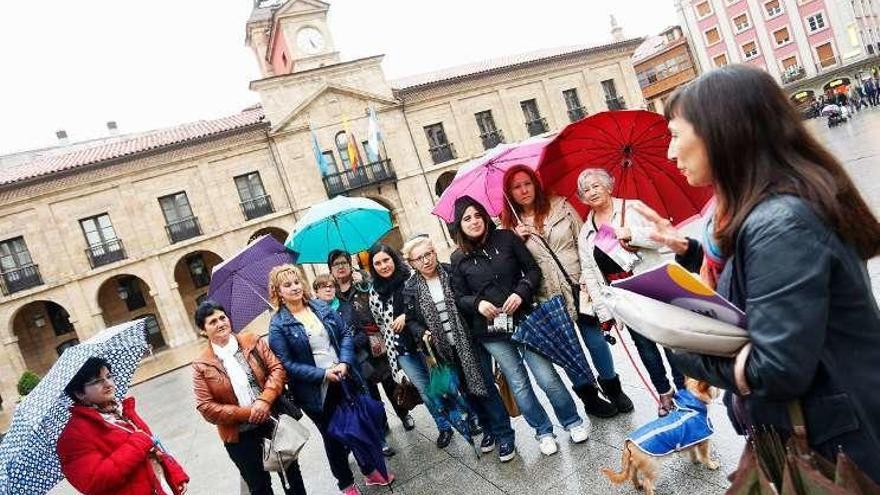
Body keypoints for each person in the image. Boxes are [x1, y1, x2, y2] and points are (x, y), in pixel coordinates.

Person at [645, 64, 880, 482]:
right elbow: (759, 279)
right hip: (828, 428)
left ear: (723, 132)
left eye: (675, 134)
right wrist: (689, 252)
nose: (670, 152)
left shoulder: (782, 221)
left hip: (839, 446)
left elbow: (778, 368)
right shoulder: (760, 211)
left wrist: (679, 345)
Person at [450, 195, 590, 459]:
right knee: (519, 384)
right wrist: (478, 303)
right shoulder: (458, 258)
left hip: (525, 319)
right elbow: (459, 297)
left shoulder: (506, 238)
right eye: (467, 218)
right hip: (492, 332)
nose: (474, 221)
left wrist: (521, 292)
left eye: (477, 215)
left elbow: (532, 271)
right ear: (459, 225)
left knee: (546, 377)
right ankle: (543, 432)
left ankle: (572, 421)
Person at [500, 164, 634, 418]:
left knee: (595, 340)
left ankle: (613, 387)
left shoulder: (560, 206)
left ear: (535, 183)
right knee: (569, 349)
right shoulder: (507, 228)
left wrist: (588, 275)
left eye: (527, 183)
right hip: (545, 295)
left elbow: (585, 238)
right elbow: (511, 268)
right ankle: (590, 398)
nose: (523, 190)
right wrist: (515, 241)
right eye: (516, 187)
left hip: (579, 284)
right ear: (510, 193)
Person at [267, 264, 393, 495]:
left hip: (344, 377)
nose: (294, 287)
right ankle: (345, 483)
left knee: (357, 424)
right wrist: (323, 374)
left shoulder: (318, 306)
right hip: (316, 392)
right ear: (278, 291)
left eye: (296, 282)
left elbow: (344, 332)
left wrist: (344, 361)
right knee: (333, 436)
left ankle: (369, 471)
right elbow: (287, 365)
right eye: (287, 285)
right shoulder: (278, 325)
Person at [575, 167, 685, 417]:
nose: (591, 192)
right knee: (645, 346)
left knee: (669, 341)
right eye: (585, 190)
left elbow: (662, 238)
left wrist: (633, 235)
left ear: (608, 186)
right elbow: (590, 273)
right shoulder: (586, 232)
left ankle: (684, 390)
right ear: (582, 198)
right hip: (622, 295)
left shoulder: (633, 208)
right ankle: (664, 392)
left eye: (595, 185)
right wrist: (605, 312)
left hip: (650, 285)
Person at [401, 235, 514, 455]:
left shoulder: (452, 272)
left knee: (485, 387)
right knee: (467, 391)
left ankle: (505, 434)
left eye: (428, 254)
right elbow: (411, 319)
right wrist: (421, 331)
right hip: (443, 349)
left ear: (435, 252)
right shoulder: (410, 289)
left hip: (470, 340)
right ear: (411, 263)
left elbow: (469, 299)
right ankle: (487, 429)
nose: (426, 261)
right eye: (419, 258)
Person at [191, 300, 306, 495]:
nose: (220, 324)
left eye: (222, 317)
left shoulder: (252, 341)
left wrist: (264, 400)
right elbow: (206, 407)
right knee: (259, 487)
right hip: (239, 436)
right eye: (212, 322)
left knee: (292, 476)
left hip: (272, 422)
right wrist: (247, 413)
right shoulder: (201, 365)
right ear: (203, 330)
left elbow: (277, 369)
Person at [366, 243, 457, 446]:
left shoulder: (411, 278)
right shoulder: (374, 291)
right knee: (425, 391)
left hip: (424, 342)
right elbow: (382, 326)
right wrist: (393, 360)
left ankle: (462, 416)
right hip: (401, 349)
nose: (383, 266)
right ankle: (443, 426)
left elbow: (426, 307)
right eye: (377, 263)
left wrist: (405, 316)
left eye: (386, 260)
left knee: (443, 383)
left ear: (394, 259)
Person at [58, 357, 189, 495]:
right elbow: (94, 481)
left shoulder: (121, 411)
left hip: (162, 487)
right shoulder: (72, 437)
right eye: (97, 381)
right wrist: (138, 442)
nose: (108, 384)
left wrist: (175, 475)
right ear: (79, 393)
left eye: (109, 376)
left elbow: (153, 447)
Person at [327, 250, 414, 432]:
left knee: (390, 380)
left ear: (350, 265)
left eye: (344, 262)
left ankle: (403, 413)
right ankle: (381, 423)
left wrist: (364, 281)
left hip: (377, 339)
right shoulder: (332, 295)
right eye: (336, 265)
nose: (341, 267)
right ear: (331, 270)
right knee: (368, 388)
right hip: (357, 348)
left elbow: (379, 297)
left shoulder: (363, 282)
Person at [312, 273, 396, 457]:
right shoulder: (313, 317)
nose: (328, 289)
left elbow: (361, 333)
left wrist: (347, 344)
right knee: (345, 408)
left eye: (331, 285)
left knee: (366, 401)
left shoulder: (346, 307)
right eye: (323, 286)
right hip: (333, 370)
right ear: (316, 292)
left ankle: (380, 442)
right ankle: (352, 444)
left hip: (356, 365)